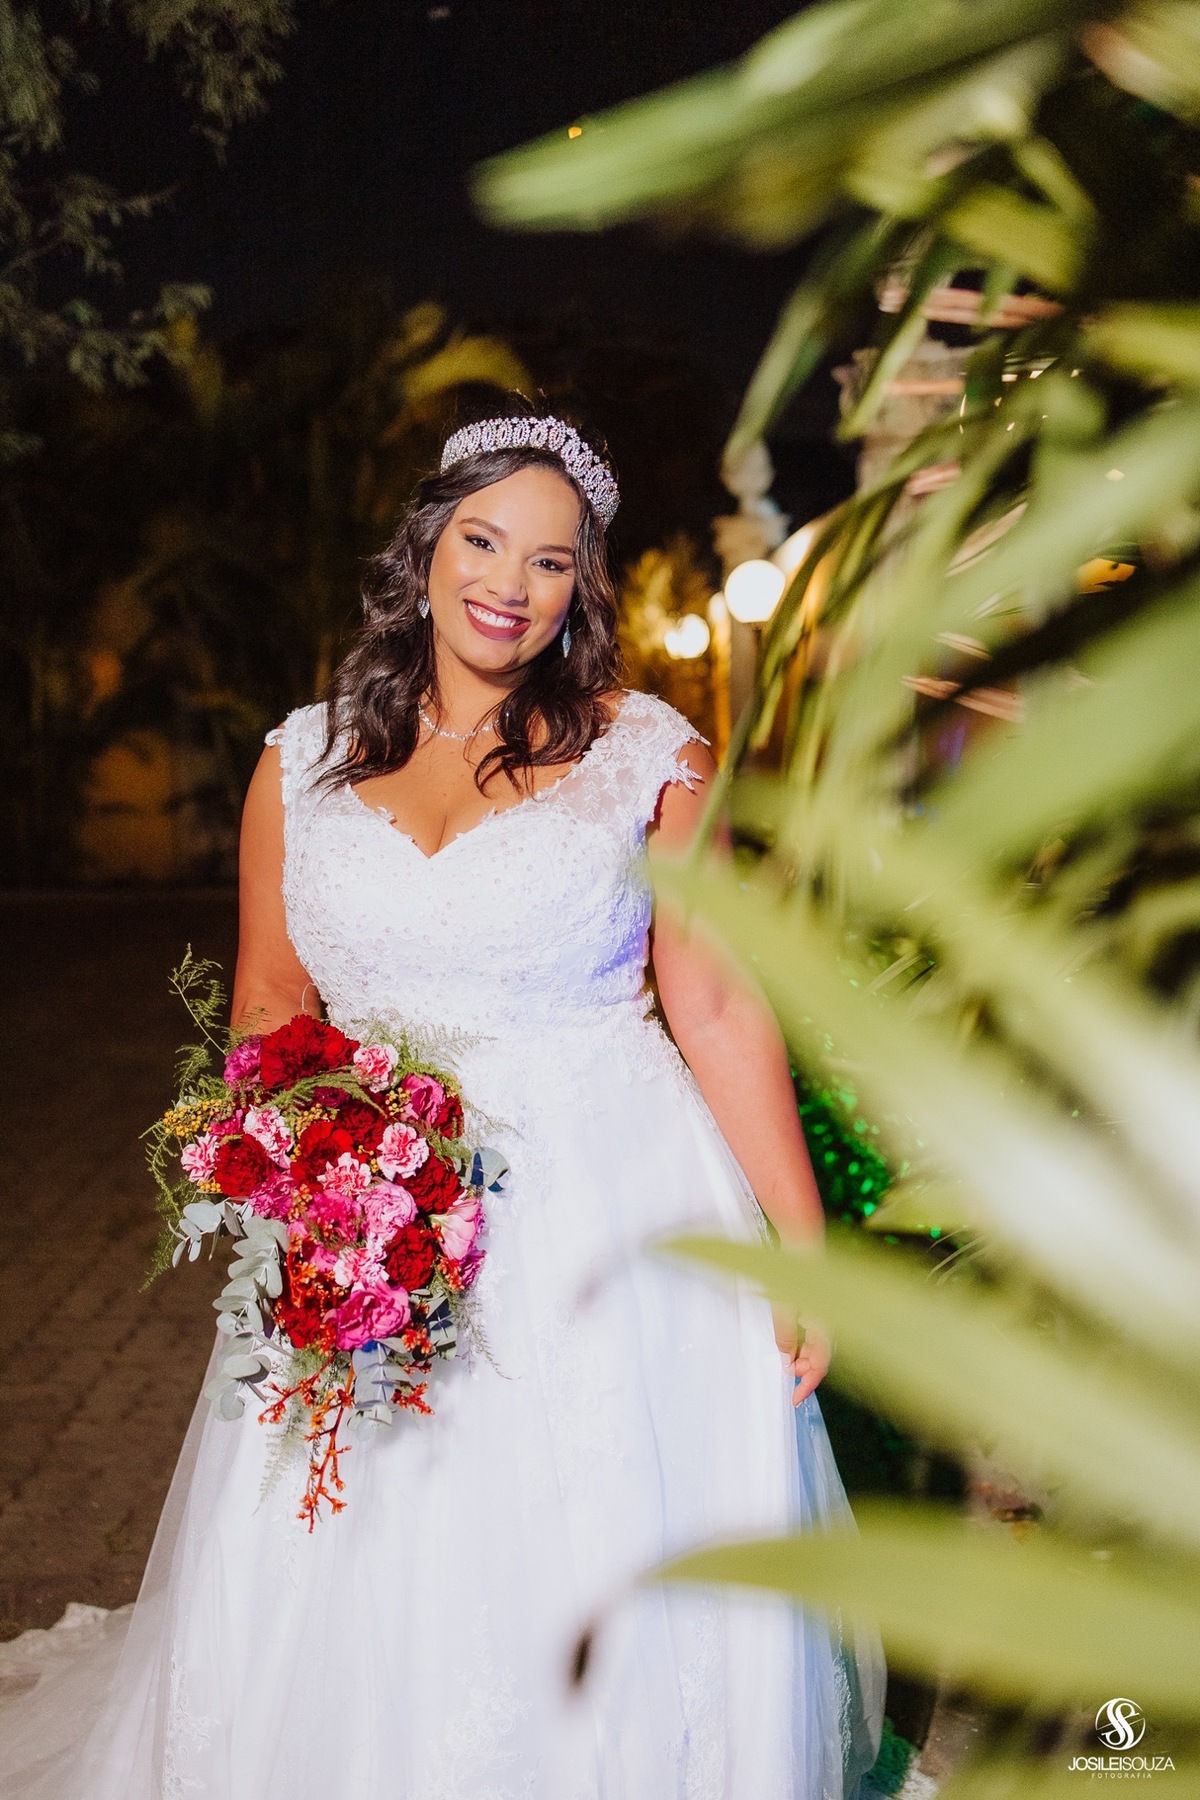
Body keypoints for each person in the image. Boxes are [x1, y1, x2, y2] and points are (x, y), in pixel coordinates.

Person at [0, 402, 883, 1798]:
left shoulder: (649, 756)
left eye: (550, 560)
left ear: (581, 588)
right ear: (425, 550)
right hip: (372, 1212)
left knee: (596, 1533)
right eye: (483, 540)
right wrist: (312, 1176)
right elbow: (271, 1001)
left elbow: (714, 1001)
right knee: (370, 1546)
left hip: (611, 1211)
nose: (509, 584)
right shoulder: (298, 762)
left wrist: (803, 1247)